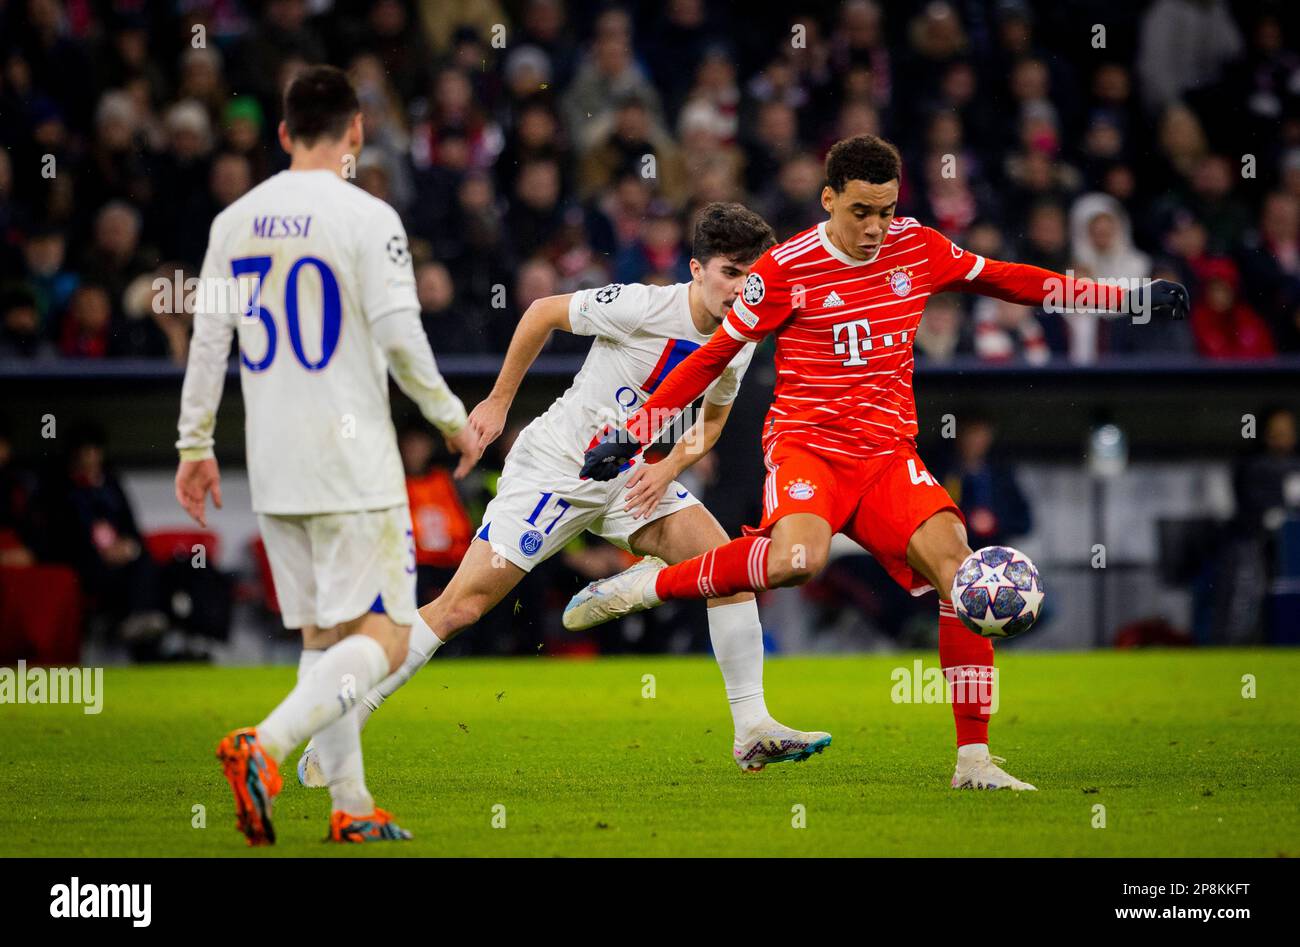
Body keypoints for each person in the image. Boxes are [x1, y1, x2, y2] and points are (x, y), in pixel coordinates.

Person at [572, 134, 1190, 791]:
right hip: (809, 446)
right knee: (795, 561)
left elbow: (1010, 280)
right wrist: (636, 429)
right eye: (861, 211)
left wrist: (1126, 296)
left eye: (887, 210)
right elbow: (711, 354)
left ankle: (974, 761)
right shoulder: (785, 269)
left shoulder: (918, 247)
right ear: (828, 199)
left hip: (888, 455)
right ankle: (641, 585)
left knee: (962, 572)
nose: (875, 227)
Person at [297, 202, 831, 786]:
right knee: (461, 609)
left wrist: (668, 465)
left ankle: (751, 729)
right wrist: (499, 401)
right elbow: (541, 312)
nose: (742, 288)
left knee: (726, 567)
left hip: (629, 475)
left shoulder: (742, 335)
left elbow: (710, 423)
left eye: (752, 275)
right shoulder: (643, 305)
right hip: (555, 470)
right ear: (698, 270)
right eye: (730, 272)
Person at [173, 66, 480, 845]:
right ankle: (265, 747)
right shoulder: (367, 216)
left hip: (274, 467)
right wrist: (451, 419)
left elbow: (208, 345)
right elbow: (402, 340)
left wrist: (193, 446)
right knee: (389, 636)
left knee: (323, 642)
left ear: (281, 134)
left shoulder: (233, 220)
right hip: (352, 465)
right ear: (355, 133)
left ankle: (350, 804)